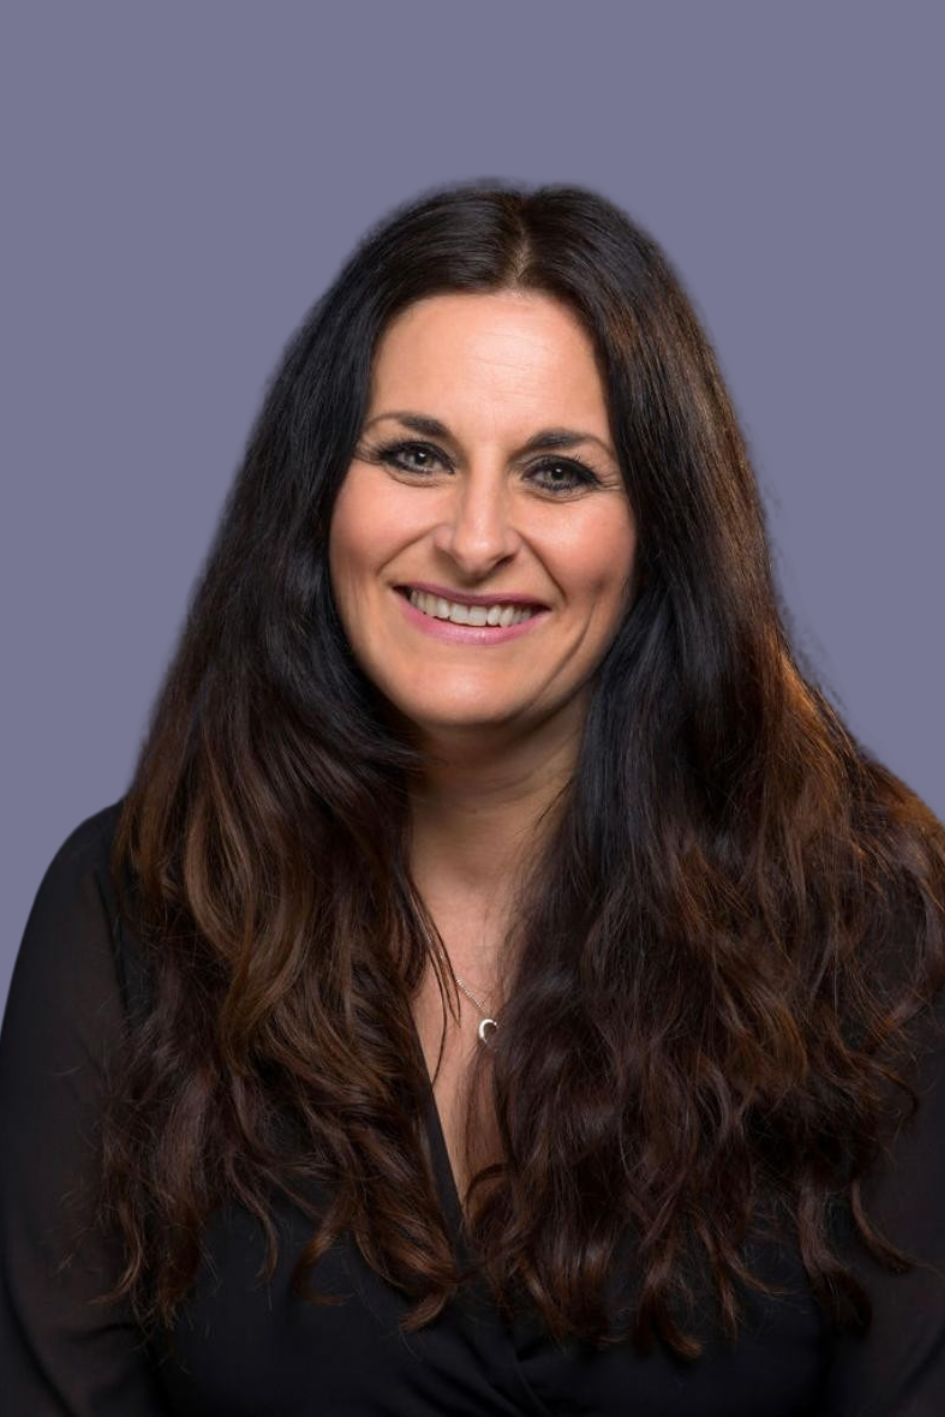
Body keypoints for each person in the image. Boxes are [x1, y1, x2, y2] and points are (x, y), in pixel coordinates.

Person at [2, 180, 944, 1416]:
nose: (475, 536)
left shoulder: (871, 926)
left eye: (557, 472)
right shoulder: (131, 908)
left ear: (659, 533)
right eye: (415, 455)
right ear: (318, 496)